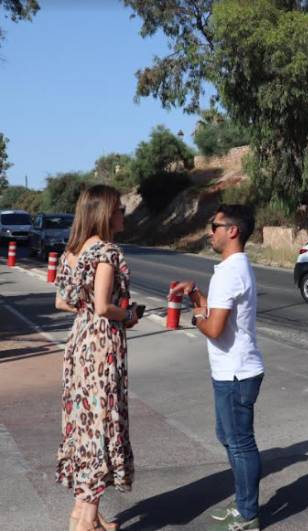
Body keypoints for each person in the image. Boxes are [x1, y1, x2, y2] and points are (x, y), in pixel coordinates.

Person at [171, 204, 264, 531]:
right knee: (228, 436)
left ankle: (248, 514)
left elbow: (213, 329)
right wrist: (197, 296)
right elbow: (219, 313)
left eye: (215, 226)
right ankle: (243, 505)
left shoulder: (229, 272)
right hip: (233, 369)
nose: (210, 232)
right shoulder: (234, 267)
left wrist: (196, 316)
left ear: (232, 231)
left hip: (236, 372)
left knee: (239, 442)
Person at [54, 184, 139, 531]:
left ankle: (83, 512)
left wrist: (87, 306)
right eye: (119, 208)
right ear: (104, 213)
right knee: (102, 425)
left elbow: (61, 302)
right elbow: (105, 306)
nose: (123, 214)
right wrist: (129, 314)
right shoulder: (106, 252)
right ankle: (85, 523)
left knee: (86, 423)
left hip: (79, 342)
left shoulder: (72, 251)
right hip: (101, 346)